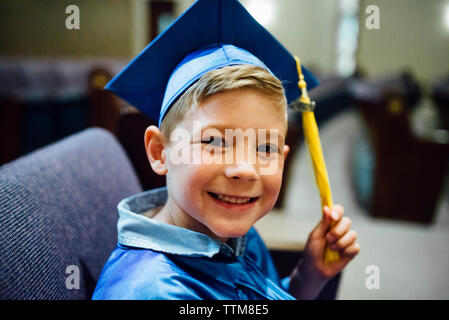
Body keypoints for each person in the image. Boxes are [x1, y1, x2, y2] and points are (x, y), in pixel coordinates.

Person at [92, 0, 359, 300]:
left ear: (283, 159)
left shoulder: (237, 237)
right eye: (215, 142)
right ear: (159, 152)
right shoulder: (154, 291)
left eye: (265, 148)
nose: (244, 169)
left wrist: (306, 277)